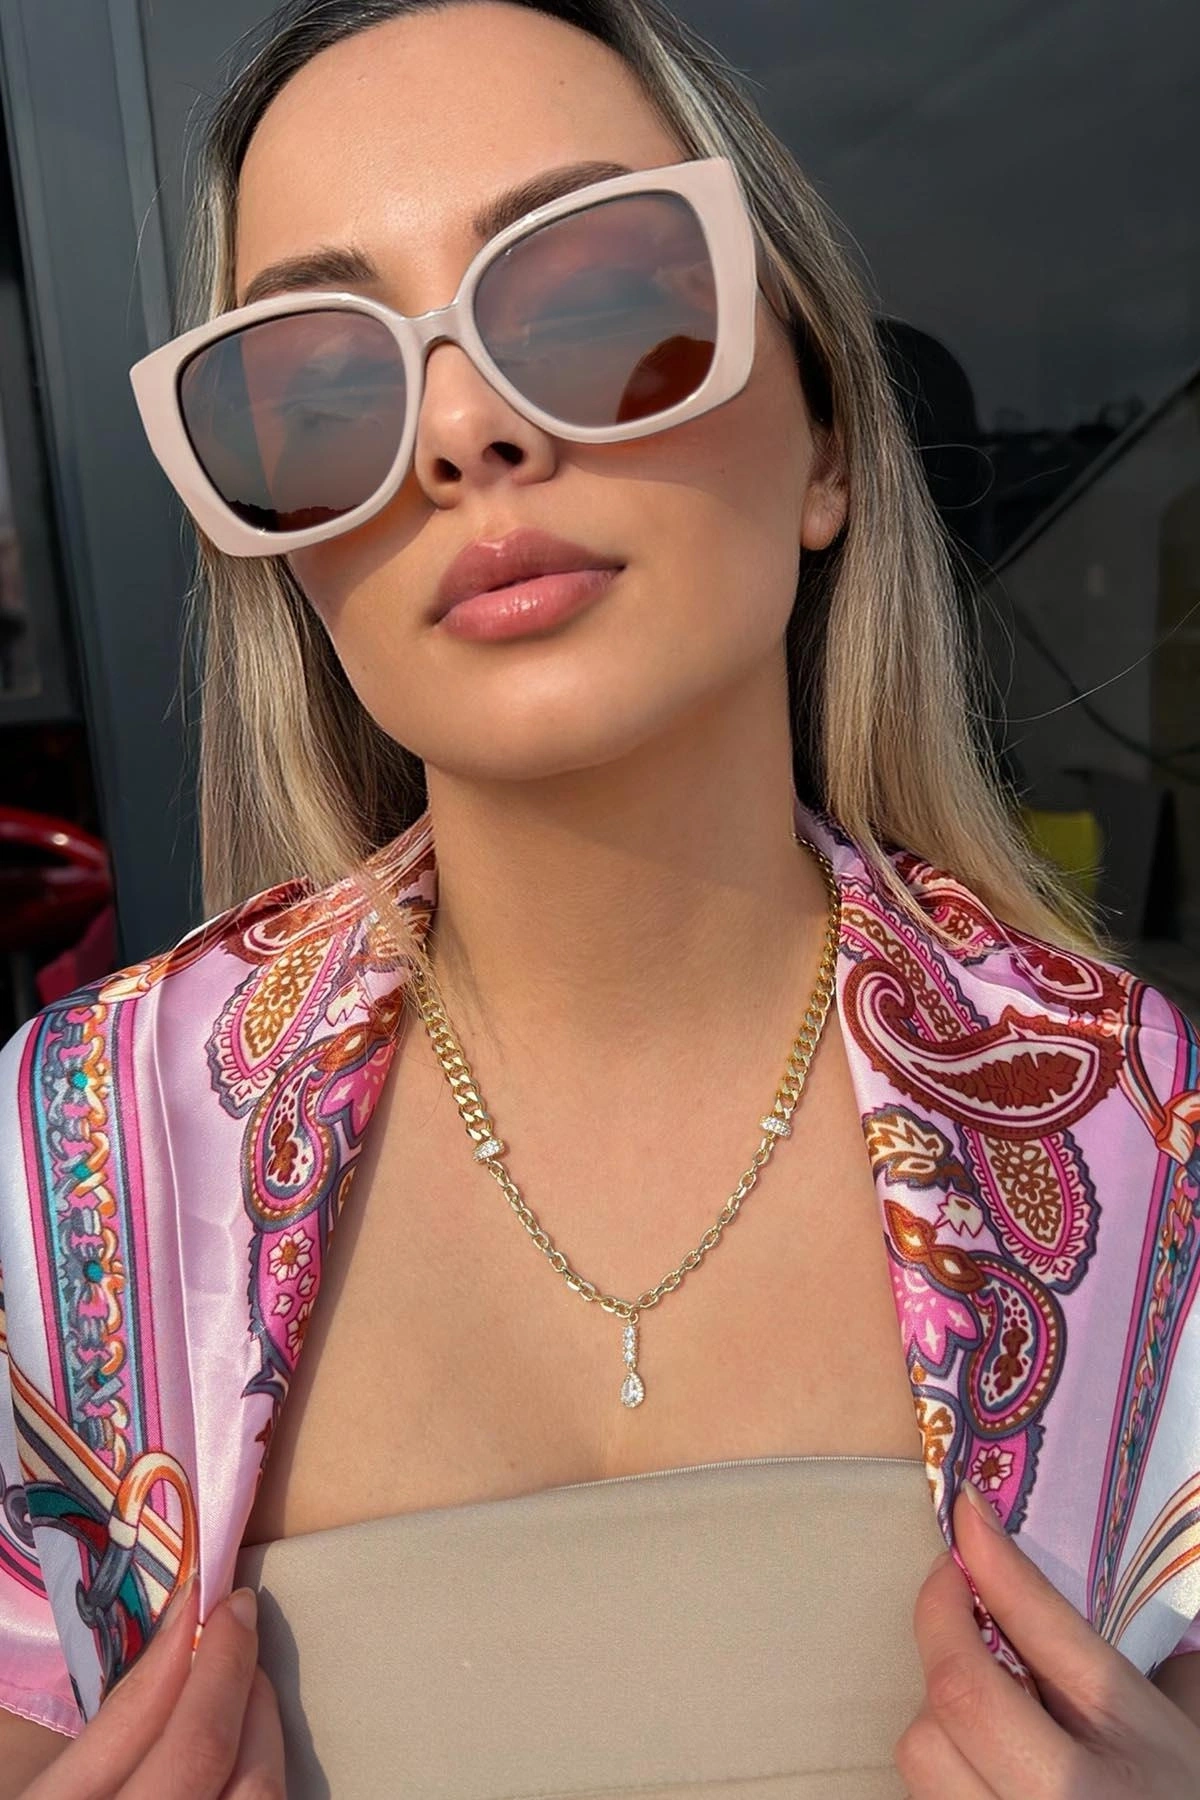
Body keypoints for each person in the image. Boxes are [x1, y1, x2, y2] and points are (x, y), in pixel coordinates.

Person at [1, 1, 1199, 1794]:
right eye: (322, 393)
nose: (464, 430)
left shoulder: (1138, 1127)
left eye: (597, 312)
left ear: (823, 447)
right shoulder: (69, 1159)